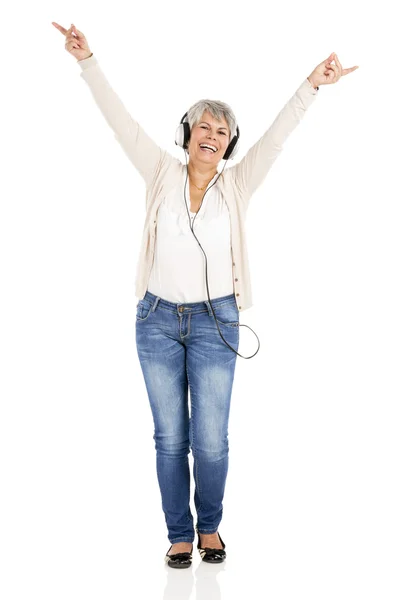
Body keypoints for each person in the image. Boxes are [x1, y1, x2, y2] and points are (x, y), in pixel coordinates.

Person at [52, 21, 359, 568]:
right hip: (157, 321)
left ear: (229, 143)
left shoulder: (238, 185)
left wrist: (311, 85)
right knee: (170, 437)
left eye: (222, 130)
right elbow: (119, 121)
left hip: (218, 322)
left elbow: (279, 136)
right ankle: (179, 534)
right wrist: (88, 60)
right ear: (187, 132)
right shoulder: (158, 172)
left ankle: (210, 526)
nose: (211, 134)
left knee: (211, 440)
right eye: (203, 125)